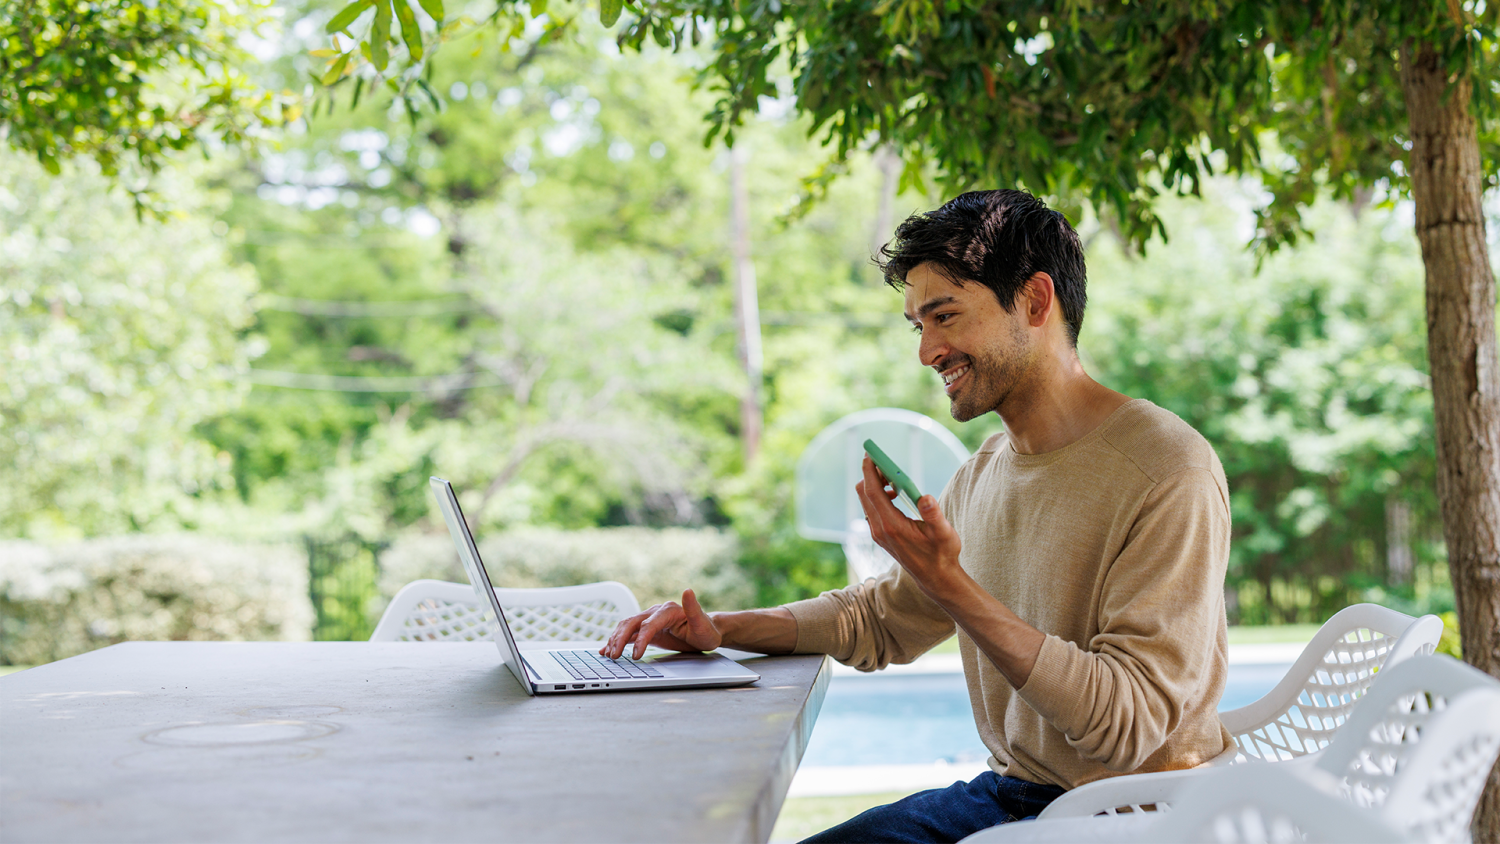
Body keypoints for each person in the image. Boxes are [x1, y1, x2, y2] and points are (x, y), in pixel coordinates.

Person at [601, 189, 1232, 843]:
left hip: (1128, 820)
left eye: (946, 316)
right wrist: (721, 629)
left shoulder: (1167, 468)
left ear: (1036, 302)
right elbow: (883, 620)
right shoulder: (986, 471)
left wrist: (950, 582)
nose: (927, 352)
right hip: (1013, 797)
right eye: (918, 325)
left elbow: (1130, 728)